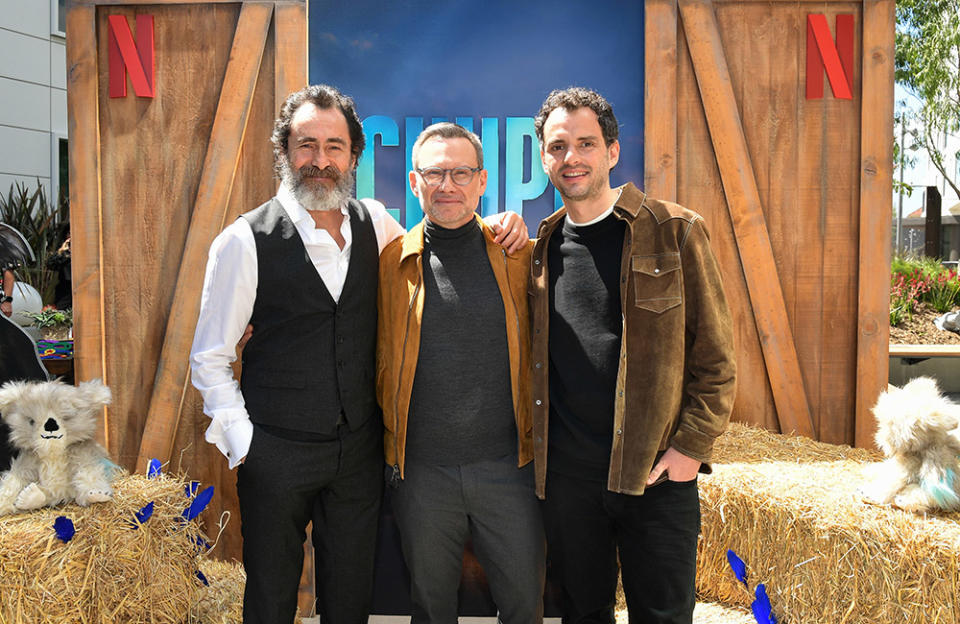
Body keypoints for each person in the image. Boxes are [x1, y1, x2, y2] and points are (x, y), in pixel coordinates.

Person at [190, 86, 527, 624]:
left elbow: (448, 234)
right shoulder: (243, 240)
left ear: (353, 157)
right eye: (306, 145)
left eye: (334, 146)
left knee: (350, 602)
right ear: (284, 151)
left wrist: (505, 226)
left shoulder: (377, 225)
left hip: (358, 458)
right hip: (275, 451)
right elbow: (208, 357)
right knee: (271, 600)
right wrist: (246, 443)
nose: (320, 161)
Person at [529, 88, 737, 624]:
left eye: (585, 144)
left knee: (663, 616)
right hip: (571, 483)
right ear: (544, 157)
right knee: (581, 613)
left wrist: (689, 450)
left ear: (613, 152)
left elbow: (716, 359)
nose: (570, 158)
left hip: (657, 477)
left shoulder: (675, 230)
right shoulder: (542, 247)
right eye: (557, 147)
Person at [377, 123, 544, 624]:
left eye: (460, 173)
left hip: (509, 468)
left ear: (482, 181)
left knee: (523, 606)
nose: (447, 185)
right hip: (422, 473)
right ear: (414, 182)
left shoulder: (521, 256)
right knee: (430, 609)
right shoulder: (389, 264)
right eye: (434, 173)